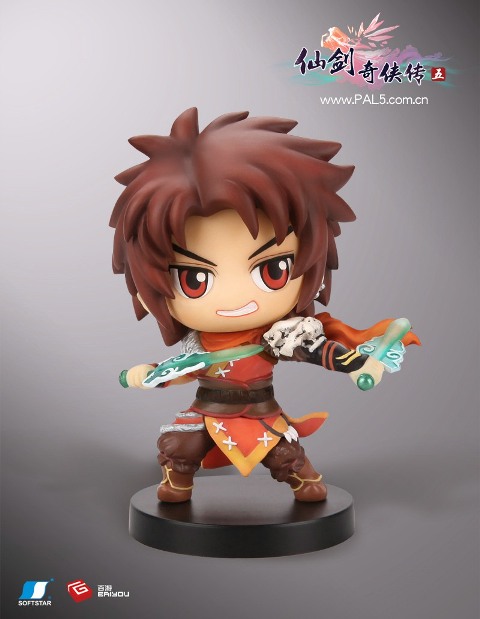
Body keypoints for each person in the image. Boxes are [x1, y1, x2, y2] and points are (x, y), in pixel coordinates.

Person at [110, 108, 419, 503]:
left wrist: (357, 363)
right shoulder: (198, 344)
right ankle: (177, 482)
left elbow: (317, 351)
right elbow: (185, 369)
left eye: (272, 270)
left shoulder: (279, 335)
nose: (235, 297)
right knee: (179, 446)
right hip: (207, 408)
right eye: (195, 280)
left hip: (260, 410)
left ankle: (304, 480)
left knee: (284, 455)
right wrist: (151, 375)